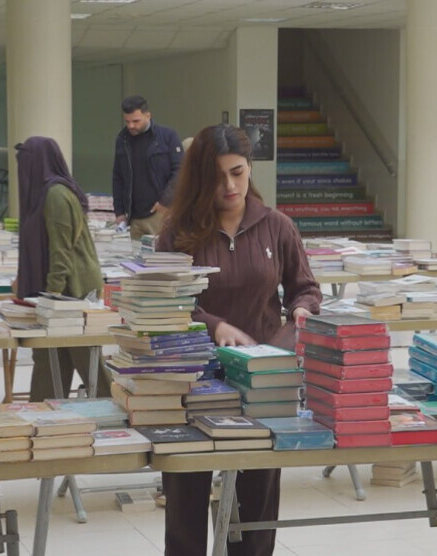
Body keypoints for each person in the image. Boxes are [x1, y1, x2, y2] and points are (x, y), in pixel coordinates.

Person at [155, 124, 322, 556]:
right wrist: (213, 325)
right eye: (217, 177)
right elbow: (166, 303)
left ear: (250, 169)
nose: (230, 186)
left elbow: (305, 287)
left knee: (257, 499)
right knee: (186, 497)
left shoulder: (277, 226)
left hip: (263, 380)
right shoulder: (177, 233)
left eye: (238, 173)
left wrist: (302, 310)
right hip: (195, 380)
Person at [15, 136, 109, 401]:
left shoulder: (55, 195)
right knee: (50, 357)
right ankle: (44, 412)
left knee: (86, 361)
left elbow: (61, 252)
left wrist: (50, 299)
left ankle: (116, 408)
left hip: (72, 291)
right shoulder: (47, 193)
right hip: (63, 290)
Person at [111, 95, 184, 240]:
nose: (131, 126)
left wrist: (165, 202)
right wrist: (119, 211)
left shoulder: (167, 137)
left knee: (161, 253)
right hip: (134, 217)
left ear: (148, 116)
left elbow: (180, 171)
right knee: (135, 255)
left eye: (136, 121)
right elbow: (118, 177)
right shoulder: (122, 140)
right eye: (127, 121)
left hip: (160, 213)